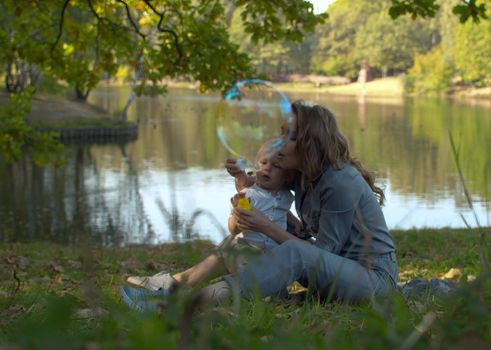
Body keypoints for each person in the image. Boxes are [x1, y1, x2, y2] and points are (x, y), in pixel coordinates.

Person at [123, 101, 398, 310]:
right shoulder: (304, 174)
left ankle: (185, 305)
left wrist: (266, 226)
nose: (280, 142)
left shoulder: (339, 182)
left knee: (292, 251)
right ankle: (175, 284)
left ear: (309, 143)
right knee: (240, 242)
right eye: (282, 133)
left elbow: (323, 253)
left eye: (290, 136)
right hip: (335, 273)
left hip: (371, 278)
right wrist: (242, 175)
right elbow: (262, 182)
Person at [121, 139, 300, 309]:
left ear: (286, 177)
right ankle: (171, 291)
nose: (266, 169)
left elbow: (281, 210)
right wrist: (238, 219)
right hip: (250, 254)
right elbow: (234, 226)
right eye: (262, 163)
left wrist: (297, 224)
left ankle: (172, 292)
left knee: (257, 283)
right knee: (238, 272)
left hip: (271, 256)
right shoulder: (249, 195)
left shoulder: (285, 195)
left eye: (275, 166)